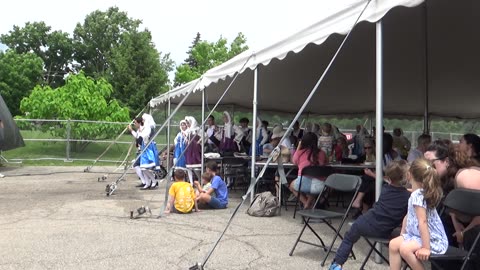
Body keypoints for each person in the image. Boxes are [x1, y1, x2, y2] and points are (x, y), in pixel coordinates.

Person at [329, 160, 411, 270]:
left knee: (348, 239)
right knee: (396, 241)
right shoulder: (408, 197)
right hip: (384, 230)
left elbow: (390, 185)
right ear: (407, 177)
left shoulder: (385, 189)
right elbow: (405, 194)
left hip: (364, 222)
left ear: (389, 178)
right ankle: (403, 262)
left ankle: (337, 264)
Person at [389, 158, 448, 270]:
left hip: (432, 240)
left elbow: (422, 221)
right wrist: (403, 233)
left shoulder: (417, 196)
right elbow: (409, 215)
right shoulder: (418, 193)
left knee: (405, 249)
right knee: (393, 244)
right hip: (416, 235)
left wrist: (426, 248)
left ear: (409, 175)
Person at [289, 132, 328, 209]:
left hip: (302, 184)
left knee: (291, 186)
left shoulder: (300, 152)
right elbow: (326, 163)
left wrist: (299, 147)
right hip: (320, 186)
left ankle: (306, 203)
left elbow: (294, 161)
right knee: (314, 186)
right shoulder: (322, 153)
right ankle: (310, 204)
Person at [128, 117, 158, 190]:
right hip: (142, 150)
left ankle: (153, 181)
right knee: (142, 167)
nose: (134, 124)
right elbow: (138, 137)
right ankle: (147, 183)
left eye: (135, 122)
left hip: (146, 150)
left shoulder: (146, 129)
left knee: (143, 167)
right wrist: (132, 130)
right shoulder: (140, 130)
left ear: (139, 122)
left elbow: (141, 138)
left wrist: (132, 131)